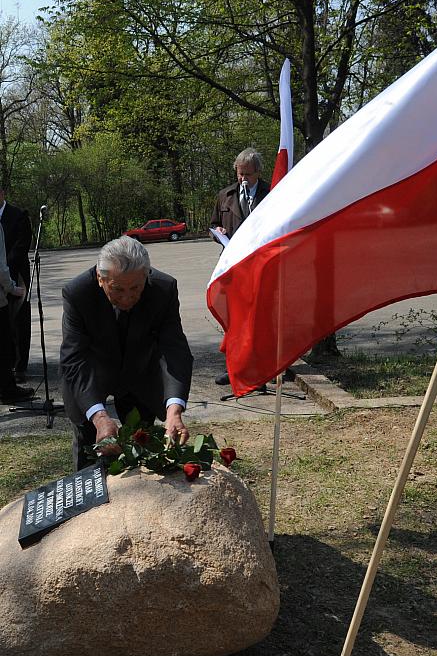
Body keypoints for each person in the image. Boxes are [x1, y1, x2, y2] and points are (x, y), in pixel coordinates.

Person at [60, 236, 193, 471]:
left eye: (136, 288)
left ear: (146, 275)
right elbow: (75, 359)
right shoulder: (77, 293)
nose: (127, 298)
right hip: (91, 377)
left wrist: (174, 409)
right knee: (90, 452)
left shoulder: (164, 289)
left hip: (139, 375)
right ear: (101, 279)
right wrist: (100, 417)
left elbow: (174, 349)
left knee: (141, 451)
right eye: (117, 289)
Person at [210, 148, 270, 385]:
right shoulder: (225, 195)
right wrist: (219, 233)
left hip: (260, 264)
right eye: (239, 174)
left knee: (261, 317)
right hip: (232, 266)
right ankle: (234, 367)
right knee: (233, 318)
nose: (243, 179)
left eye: (247, 175)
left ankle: (264, 367)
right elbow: (213, 224)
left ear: (258, 173)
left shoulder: (271, 193)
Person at [0, 188, 33, 382]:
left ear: (2, 194)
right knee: (4, 325)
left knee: (19, 322)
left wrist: (5, 269)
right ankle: (6, 366)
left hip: (17, 275)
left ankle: (20, 366)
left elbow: (22, 245)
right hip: (2, 277)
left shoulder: (19, 215)